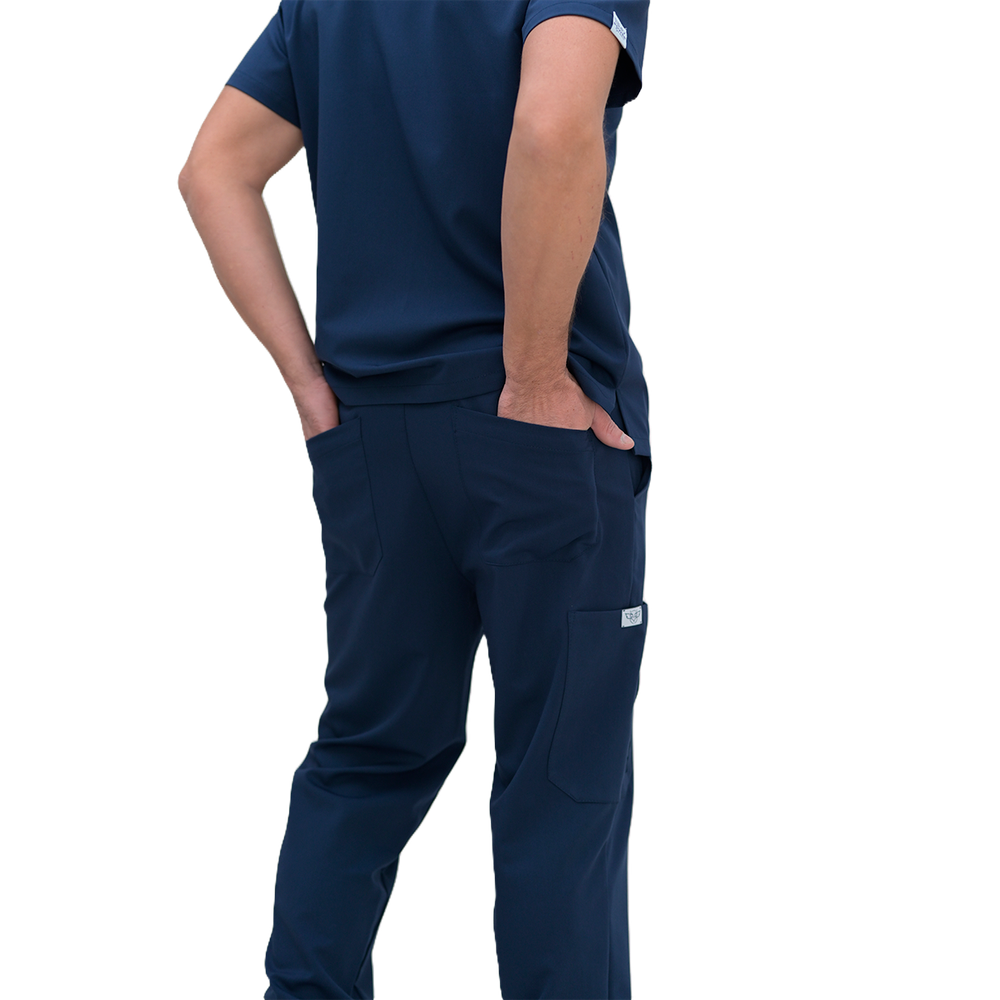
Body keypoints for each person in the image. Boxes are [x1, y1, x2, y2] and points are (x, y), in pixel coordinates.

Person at [175, 2, 652, 997]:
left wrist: (308, 384)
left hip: (371, 430)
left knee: (369, 750)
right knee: (560, 777)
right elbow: (552, 124)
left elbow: (213, 167)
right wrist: (534, 374)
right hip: (535, 433)